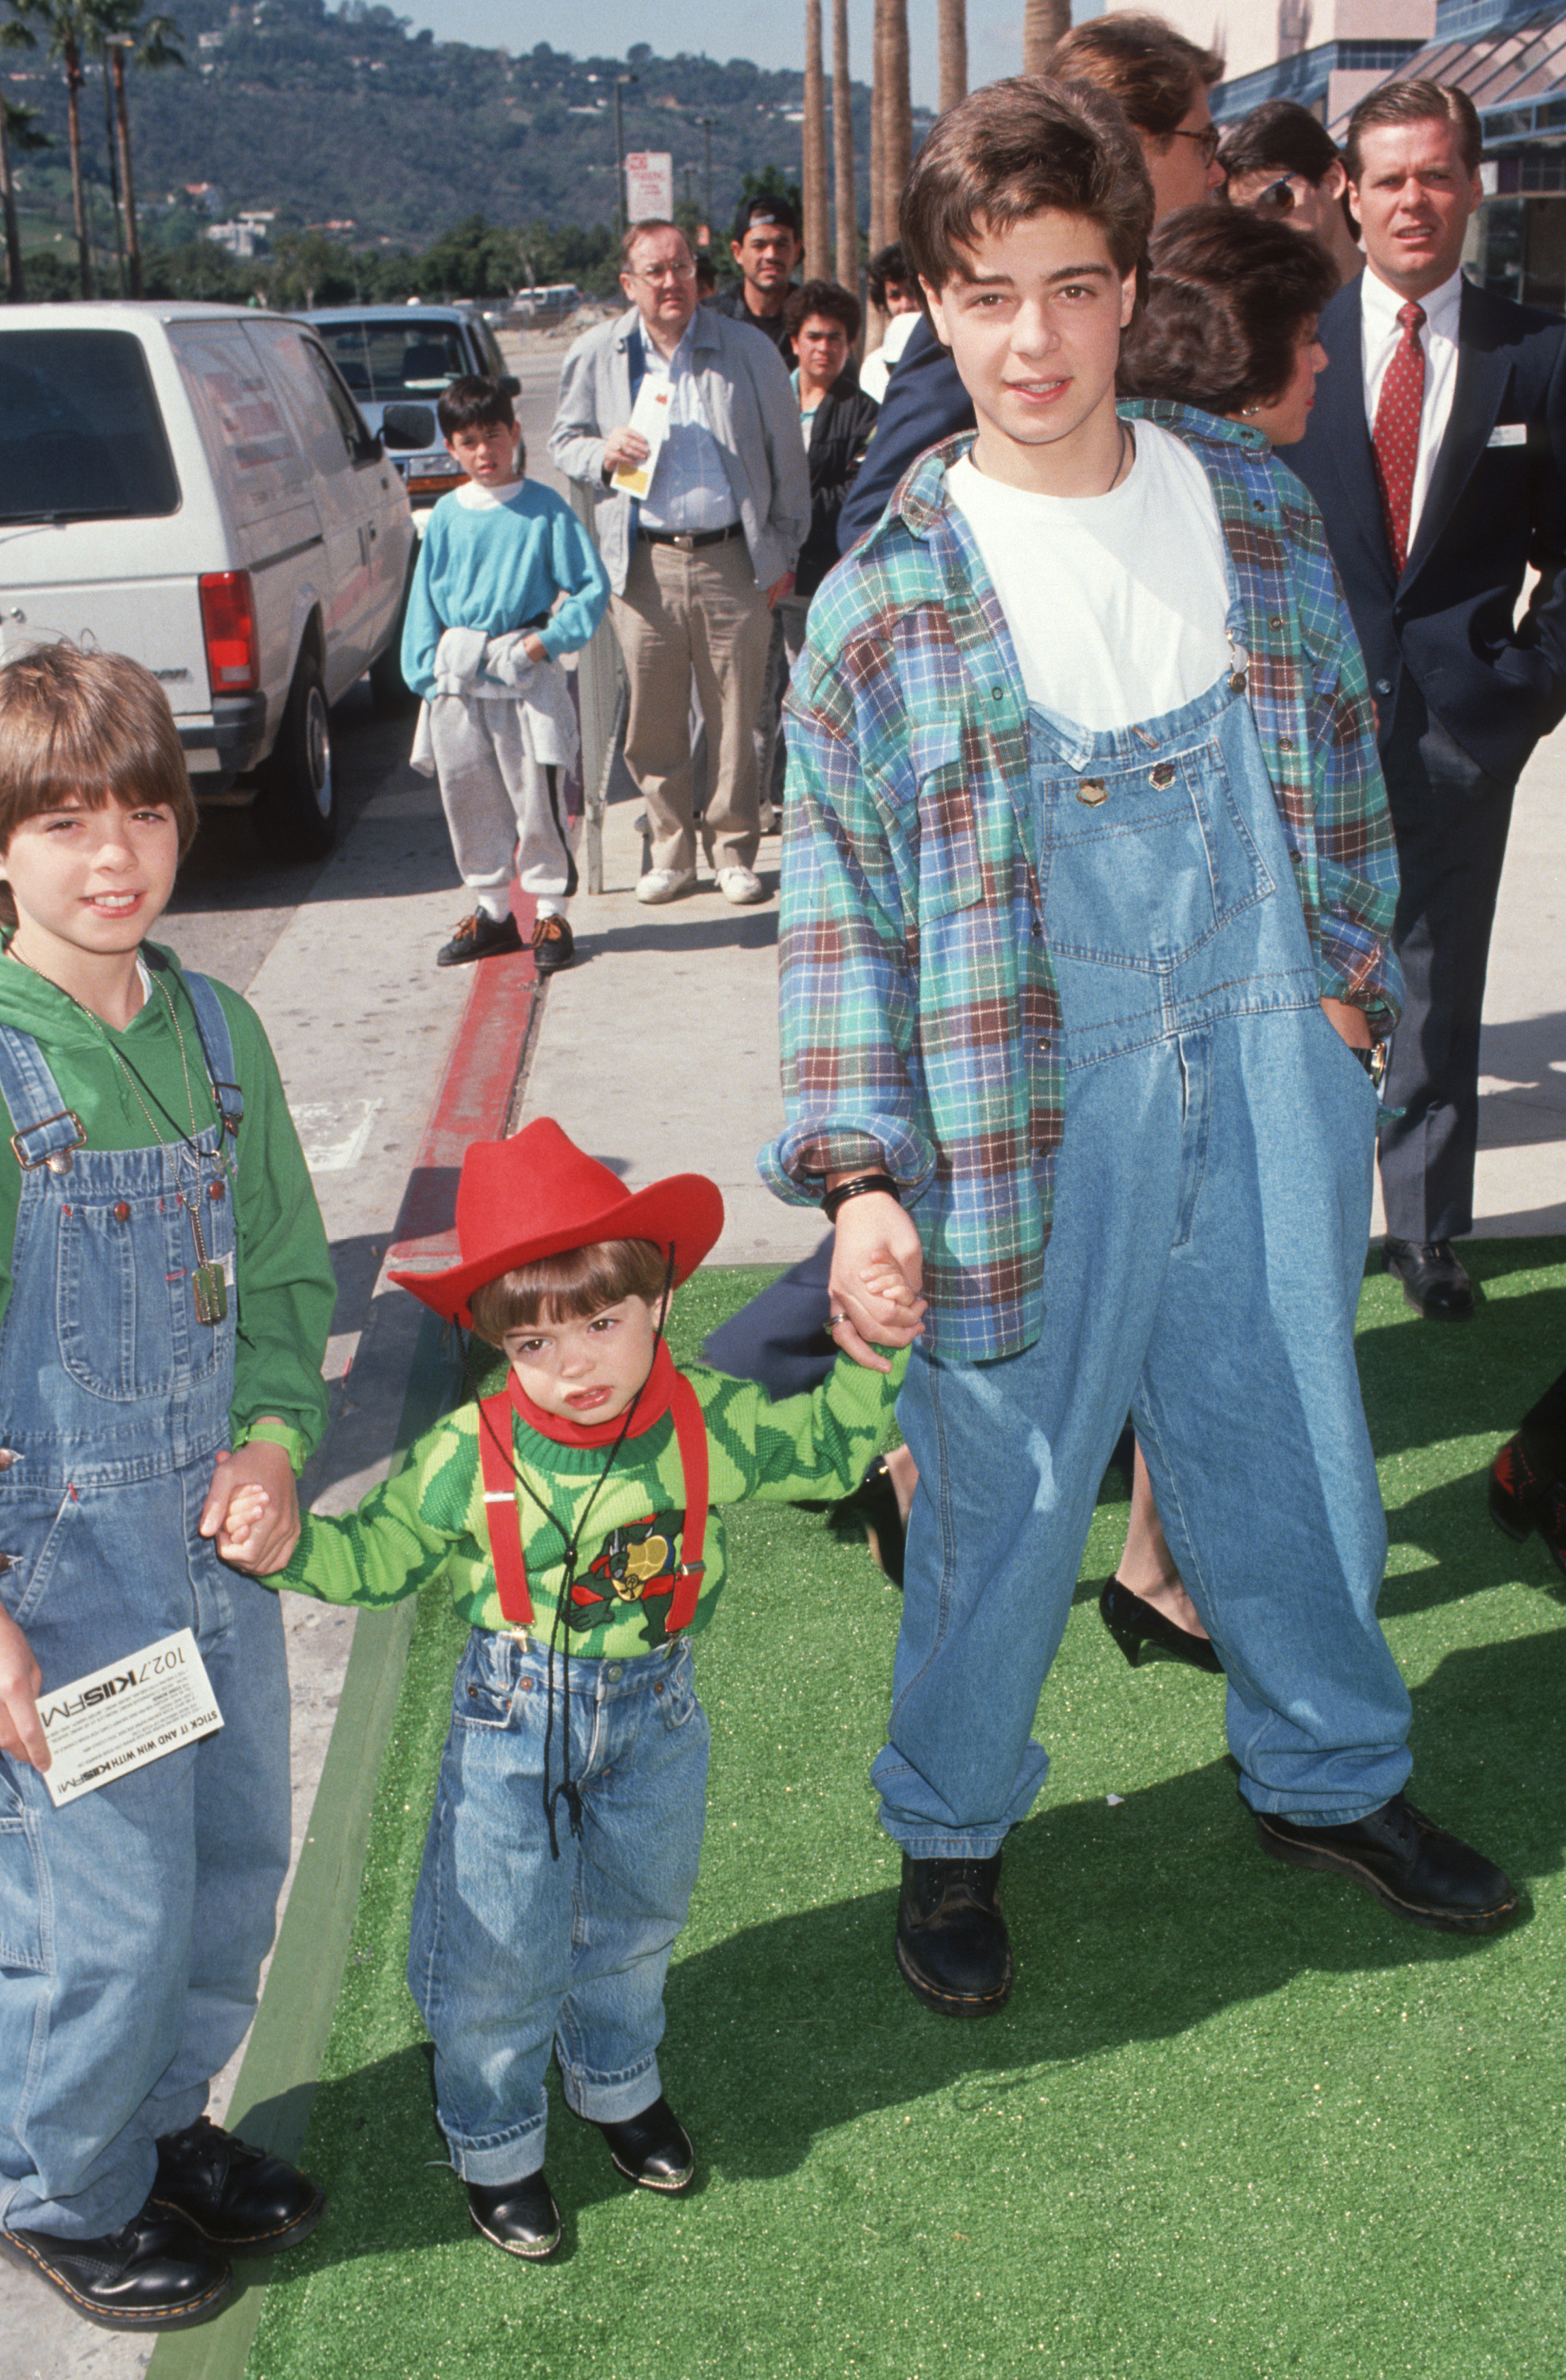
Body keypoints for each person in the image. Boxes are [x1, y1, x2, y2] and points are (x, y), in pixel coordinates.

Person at [762, 75, 1519, 2021]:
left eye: (1075, 288)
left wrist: (1343, 983)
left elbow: (1340, 740)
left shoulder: (1246, 502)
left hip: (1268, 1026)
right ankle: (949, 1833)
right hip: (1023, 1072)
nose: (1035, 338)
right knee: (1002, 1473)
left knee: (1292, 1437)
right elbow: (841, 912)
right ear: (932, 299)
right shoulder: (883, 609)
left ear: (1126, 289)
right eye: (988, 291)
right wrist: (858, 1177)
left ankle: (1331, 1775)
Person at [221, 1119, 904, 2260]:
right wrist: (283, 1543)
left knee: (638, 1913)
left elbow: (827, 1455)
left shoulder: (702, 1416)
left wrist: (875, 1359)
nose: (576, 1364)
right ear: (494, 1342)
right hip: (511, 1721)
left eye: (601, 1324)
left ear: (660, 1309)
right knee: (496, 1947)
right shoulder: (463, 1455)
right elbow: (374, 1558)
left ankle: (616, 2079)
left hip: (657, 1710)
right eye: (534, 1343)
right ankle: (495, 2143)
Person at [0, 645, 336, 2329]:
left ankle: (156, 2126)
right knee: (101, 1912)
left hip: (211, 1549)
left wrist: (278, 1440)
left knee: (223, 1866)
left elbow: (283, 1269)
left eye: (142, 810)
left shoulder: (217, 1031)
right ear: (1, 849)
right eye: (61, 822)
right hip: (66, 1578)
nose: (112, 854)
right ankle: (57, 2180)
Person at [1290, 81, 1566, 1322]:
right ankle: (1304, 1225)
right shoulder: (1292, 341)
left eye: (1435, 173)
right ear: (1348, 191)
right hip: (1309, 739)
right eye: (1388, 176)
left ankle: (1429, 1233)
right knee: (1310, 994)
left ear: (1473, 185)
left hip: (1462, 732)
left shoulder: (1535, 353)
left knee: (1439, 989)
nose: (1413, 199)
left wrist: (1521, 694)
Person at [838, 9, 1226, 551]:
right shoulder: (984, 315)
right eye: (1202, 140)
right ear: (1132, 138)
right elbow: (875, 522)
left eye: (1075, 293)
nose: (1217, 169)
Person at [548, 220, 810, 908]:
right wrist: (603, 454)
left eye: (682, 268)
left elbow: (790, 459)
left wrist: (781, 548)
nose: (672, 283)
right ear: (629, 283)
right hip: (644, 565)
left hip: (733, 558)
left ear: (699, 274)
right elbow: (564, 441)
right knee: (654, 719)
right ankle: (669, 849)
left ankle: (734, 849)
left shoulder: (747, 350)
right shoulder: (599, 354)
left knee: (737, 716)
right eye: (655, 272)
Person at [402, 377, 609, 975]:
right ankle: (493, 912)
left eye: (494, 435)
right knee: (470, 796)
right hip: (461, 679)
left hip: (523, 674)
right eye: (469, 441)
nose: (484, 452)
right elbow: (423, 600)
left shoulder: (544, 509)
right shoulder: (445, 515)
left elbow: (590, 588)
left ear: (515, 434)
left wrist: (545, 643)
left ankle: (550, 909)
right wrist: (425, 673)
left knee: (537, 799)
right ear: (452, 449)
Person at [754, 280, 881, 816]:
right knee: (755, 701)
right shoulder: (766, 400)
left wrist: (792, 494)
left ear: (849, 345)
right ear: (795, 341)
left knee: (811, 693)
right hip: (761, 572)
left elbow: (860, 492)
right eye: (814, 336)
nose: (824, 348)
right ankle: (755, 798)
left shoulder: (865, 412)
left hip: (820, 575)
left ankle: (804, 798)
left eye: (835, 338)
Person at [1217, 98, 1364, 291]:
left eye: (1274, 200)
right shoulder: (1242, 315)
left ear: (1332, 182)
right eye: (1244, 219)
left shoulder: (1404, 297)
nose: (1261, 229)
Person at [708, 194, 802, 359]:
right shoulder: (711, 320)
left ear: (796, 250)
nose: (771, 255)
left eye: (781, 244)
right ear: (738, 252)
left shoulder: (814, 320)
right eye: (759, 245)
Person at [861, 242, 924, 405]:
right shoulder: (874, 367)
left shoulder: (956, 356)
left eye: (913, 292)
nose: (906, 305)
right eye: (895, 296)